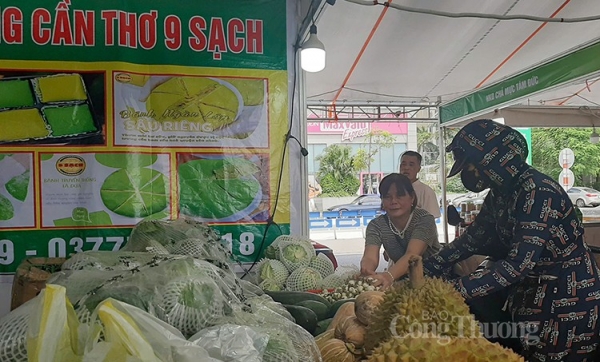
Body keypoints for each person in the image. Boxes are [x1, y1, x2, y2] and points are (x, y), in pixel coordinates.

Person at [422, 119, 600, 362]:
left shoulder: (537, 192)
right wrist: (429, 266)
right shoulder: (501, 193)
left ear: (492, 160)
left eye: (472, 166)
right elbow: (472, 240)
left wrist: (455, 289)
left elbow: (518, 264)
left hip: (565, 298)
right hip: (530, 295)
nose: (469, 173)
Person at [360, 173, 441, 289]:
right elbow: (370, 257)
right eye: (387, 197)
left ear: (412, 197)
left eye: (400, 196)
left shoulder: (424, 219)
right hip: (402, 280)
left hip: (436, 279)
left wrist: (388, 276)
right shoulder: (376, 225)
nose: (393, 201)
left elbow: (412, 254)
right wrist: (367, 270)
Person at [399, 150, 441, 218]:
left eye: (411, 165)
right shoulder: (393, 189)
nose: (406, 168)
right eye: (403, 164)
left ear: (418, 169)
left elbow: (431, 219)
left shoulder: (426, 191)